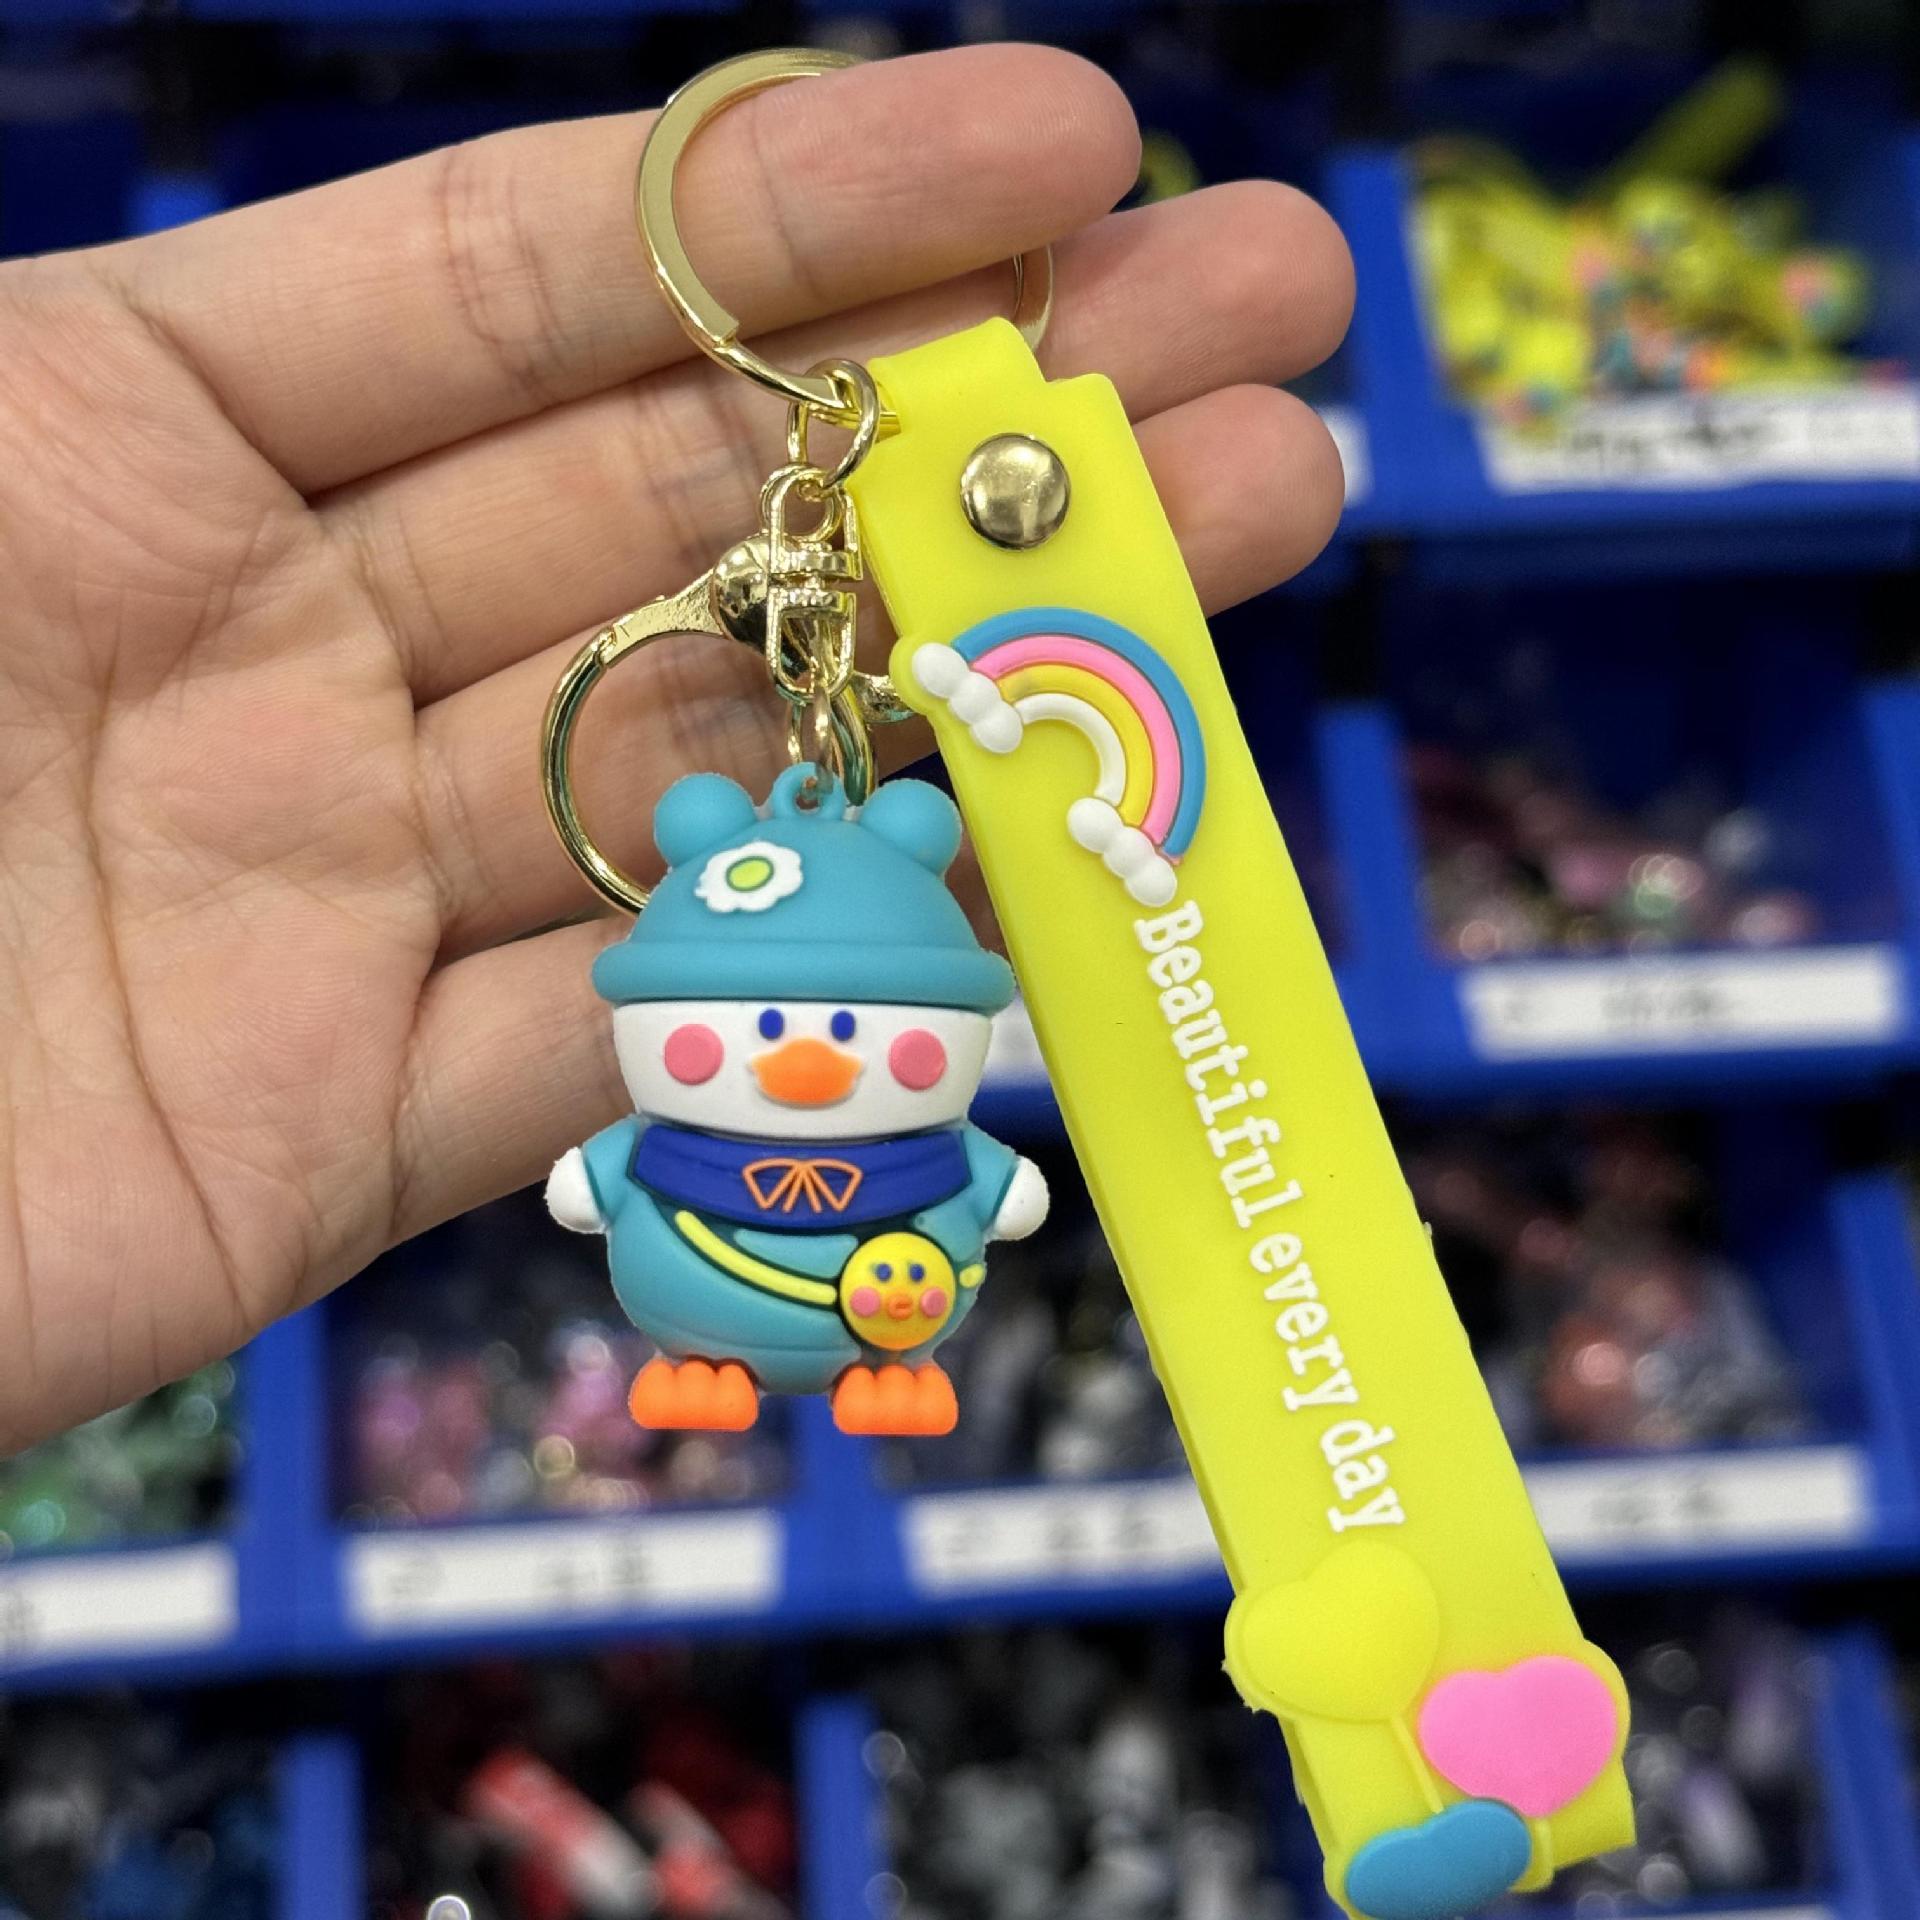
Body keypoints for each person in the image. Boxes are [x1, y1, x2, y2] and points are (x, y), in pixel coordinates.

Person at [0, 43, 1353, 1452]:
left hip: (877, 1281)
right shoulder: (712, 1114)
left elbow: (915, 1183)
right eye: (763, 1028)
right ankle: (726, 1361)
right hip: (778, 1274)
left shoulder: (884, 1133)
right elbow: (625, 1175)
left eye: (850, 1032)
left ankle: (848, 1367)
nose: (811, 1068)